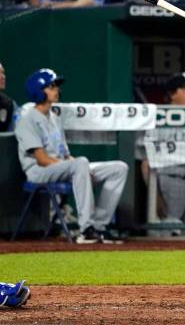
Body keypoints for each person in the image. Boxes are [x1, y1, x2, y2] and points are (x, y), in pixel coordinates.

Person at [14, 69, 128, 244]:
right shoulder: (28, 119)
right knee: (81, 163)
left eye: (56, 87)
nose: (56, 90)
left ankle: (99, 226)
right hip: (38, 171)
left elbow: (66, 155)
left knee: (119, 168)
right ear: (38, 90)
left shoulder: (54, 118)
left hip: (60, 167)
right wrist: (77, 167)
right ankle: (85, 229)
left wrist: (80, 169)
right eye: (51, 86)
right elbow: (42, 159)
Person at [142, 72, 185, 236]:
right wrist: (155, 195)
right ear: (172, 94)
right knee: (167, 235)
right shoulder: (158, 119)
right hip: (170, 181)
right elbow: (146, 161)